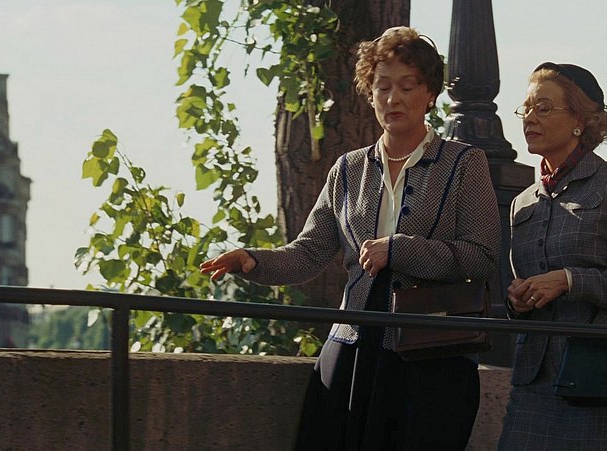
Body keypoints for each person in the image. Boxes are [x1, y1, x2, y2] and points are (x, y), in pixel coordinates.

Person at [200, 26, 500, 450]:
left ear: (430, 94)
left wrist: (398, 250)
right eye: (382, 87)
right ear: (369, 94)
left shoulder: (465, 162)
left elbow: (481, 256)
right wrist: (252, 260)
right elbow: (308, 252)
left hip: (431, 356)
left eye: (407, 86)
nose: (393, 99)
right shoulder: (347, 169)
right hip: (354, 347)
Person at [497, 62, 607, 450]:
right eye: (526, 109)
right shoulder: (523, 202)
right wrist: (518, 301)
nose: (529, 118)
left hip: (602, 378)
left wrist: (569, 280)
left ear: (580, 120)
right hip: (533, 383)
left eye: (544, 108)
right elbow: (524, 288)